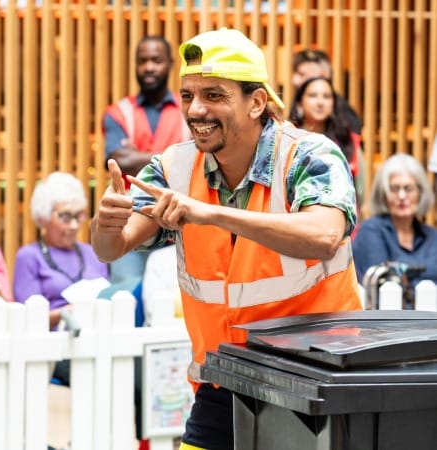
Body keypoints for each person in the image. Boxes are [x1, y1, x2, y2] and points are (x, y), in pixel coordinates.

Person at [91, 28, 362, 450]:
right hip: (222, 384)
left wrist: (211, 213)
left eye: (214, 95)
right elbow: (114, 247)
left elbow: (324, 235)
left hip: (315, 383)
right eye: (187, 95)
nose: (196, 109)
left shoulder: (310, 155)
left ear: (256, 102)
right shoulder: (175, 166)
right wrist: (105, 224)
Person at [102, 35, 191, 285]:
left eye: (156, 60)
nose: (149, 67)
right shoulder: (118, 112)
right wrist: (174, 155)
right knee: (126, 298)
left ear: (170, 64)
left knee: (172, 304)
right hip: (128, 222)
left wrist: (135, 155)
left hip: (177, 222)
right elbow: (117, 161)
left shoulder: (189, 110)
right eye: (142, 61)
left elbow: (199, 159)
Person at [13, 171, 109, 385]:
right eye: (65, 217)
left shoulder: (93, 253)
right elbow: (27, 317)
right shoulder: (29, 256)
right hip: (55, 346)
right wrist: (67, 313)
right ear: (43, 218)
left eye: (79, 216)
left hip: (99, 336)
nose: (74, 225)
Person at [353, 153, 437, 304]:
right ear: (383, 194)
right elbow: (378, 287)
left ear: (420, 192)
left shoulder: (432, 236)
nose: (402, 195)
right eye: (394, 188)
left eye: (408, 188)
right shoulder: (371, 231)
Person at [289, 76, 365, 218]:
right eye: (313, 96)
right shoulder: (288, 139)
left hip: (341, 226)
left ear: (333, 104)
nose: (320, 102)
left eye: (326, 96)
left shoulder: (349, 141)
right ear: (299, 103)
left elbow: (361, 193)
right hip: (295, 221)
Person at [292, 48, 362, 134]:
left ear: (323, 75)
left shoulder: (342, 116)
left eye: (302, 74)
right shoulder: (295, 106)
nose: (294, 80)